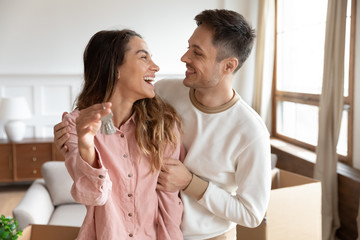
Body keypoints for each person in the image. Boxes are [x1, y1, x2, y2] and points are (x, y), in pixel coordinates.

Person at [55, 9, 271, 240]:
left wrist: (190, 183)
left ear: (228, 66)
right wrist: (76, 135)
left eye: (197, 53)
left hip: (208, 237)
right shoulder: (164, 93)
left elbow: (252, 214)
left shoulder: (251, 132)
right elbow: (114, 98)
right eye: (189, 47)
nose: (184, 57)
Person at [60, 29, 183, 240]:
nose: (155, 67)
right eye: (144, 57)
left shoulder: (164, 124)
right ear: (114, 68)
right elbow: (92, 195)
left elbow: (169, 199)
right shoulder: (74, 125)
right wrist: (87, 146)